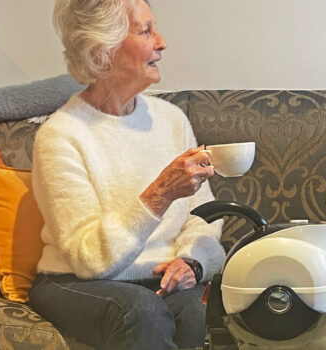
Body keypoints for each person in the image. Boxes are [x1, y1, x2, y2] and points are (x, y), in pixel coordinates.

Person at [27, 0, 225, 349]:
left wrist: (193, 261)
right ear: (103, 50)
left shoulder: (171, 120)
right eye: (146, 31)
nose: (161, 42)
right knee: (140, 311)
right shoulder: (62, 136)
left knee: (198, 308)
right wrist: (159, 194)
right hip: (77, 280)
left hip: (156, 278)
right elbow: (90, 260)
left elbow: (204, 215)